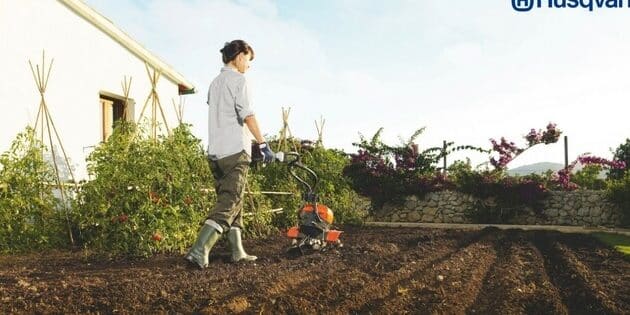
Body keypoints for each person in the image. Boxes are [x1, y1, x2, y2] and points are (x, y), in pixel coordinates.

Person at [185, 40, 274, 268]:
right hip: (234, 151)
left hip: (216, 152)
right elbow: (247, 114)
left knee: (236, 201)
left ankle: (237, 251)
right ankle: (199, 250)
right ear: (239, 56)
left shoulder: (215, 83)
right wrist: (262, 144)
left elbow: (224, 115)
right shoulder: (239, 80)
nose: (249, 65)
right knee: (230, 202)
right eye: (248, 59)